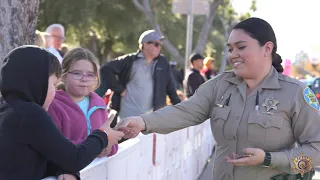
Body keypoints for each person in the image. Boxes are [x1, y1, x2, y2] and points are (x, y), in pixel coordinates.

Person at [115, 18, 320, 180]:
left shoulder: (295, 93)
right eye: (230, 48)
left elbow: (316, 150)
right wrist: (143, 121)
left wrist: (268, 159)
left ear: (267, 48)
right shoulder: (220, 84)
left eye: (241, 47)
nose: (233, 55)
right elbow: (186, 111)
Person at [0, 46, 124, 180]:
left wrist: (63, 170)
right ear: (37, 82)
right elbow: (74, 158)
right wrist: (103, 137)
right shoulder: (30, 113)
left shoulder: (8, 108)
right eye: (53, 84)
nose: (55, 91)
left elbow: (46, 155)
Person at [96, 29, 180, 121]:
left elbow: (171, 87)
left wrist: (180, 110)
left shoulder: (162, 62)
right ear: (144, 45)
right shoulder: (129, 61)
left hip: (151, 118)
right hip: (127, 116)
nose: (159, 47)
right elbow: (106, 69)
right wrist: (120, 89)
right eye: (156, 44)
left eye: (160, 44)